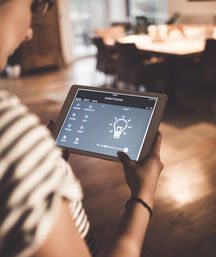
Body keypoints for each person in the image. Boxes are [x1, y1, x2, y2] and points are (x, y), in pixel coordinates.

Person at [0, 1, 164, 257]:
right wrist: (143, 196)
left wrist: (43, 166)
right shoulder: (8, 135)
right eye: (33, 5)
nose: (29, 31)